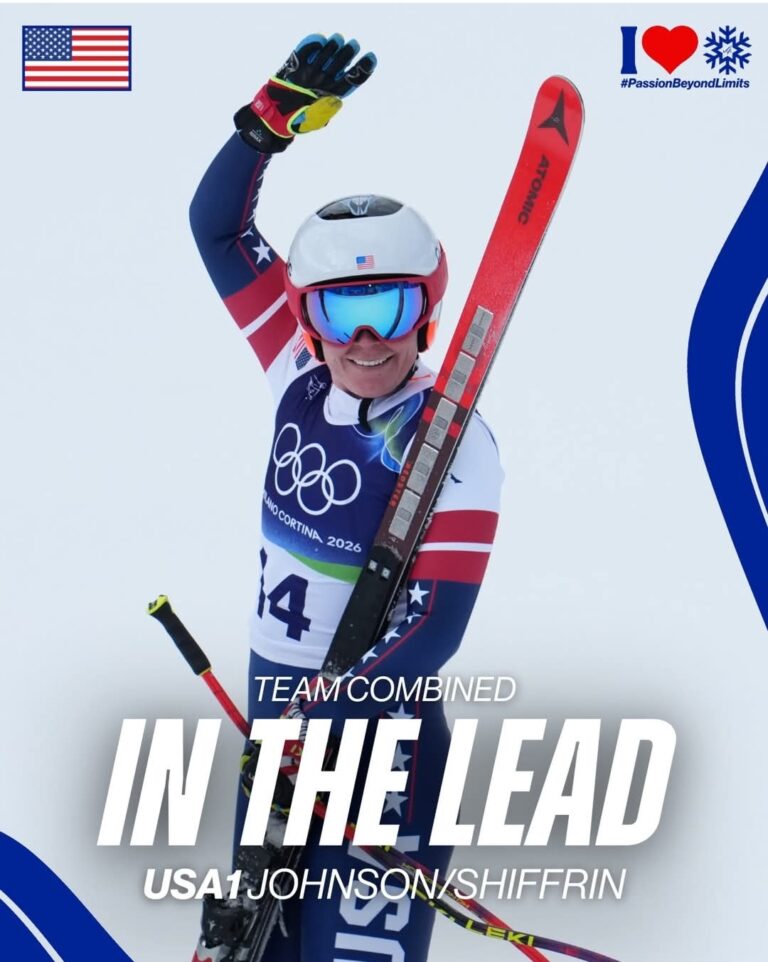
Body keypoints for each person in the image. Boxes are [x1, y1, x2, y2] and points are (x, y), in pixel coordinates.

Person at [189, 33, 504, 962]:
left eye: (392, 309)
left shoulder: (453, 440)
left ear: (428, 312)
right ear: (307, 317)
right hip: (279, 730)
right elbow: (216, 230)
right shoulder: (297, 373)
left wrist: (323, 719)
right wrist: (266, 125)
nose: (368, 340)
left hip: (383, 750)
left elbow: (435, 628)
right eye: (341, 311)